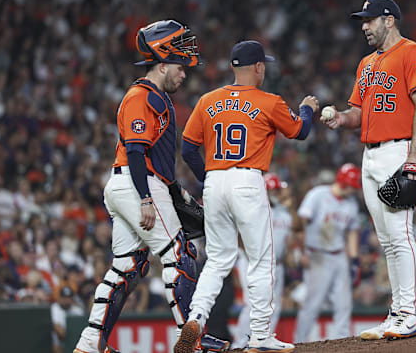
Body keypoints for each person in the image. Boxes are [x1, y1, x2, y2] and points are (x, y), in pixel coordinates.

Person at [74, 20, 228, 353]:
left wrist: (175, 193)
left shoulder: (153, 96)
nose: (184, 73)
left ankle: (89, 344)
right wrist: (146, 197)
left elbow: (155, 160)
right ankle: (193, 341)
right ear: (161, 64)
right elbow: (134, 150)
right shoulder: (140, 95)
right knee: (181, 255)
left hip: (132, 183)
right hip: (135, 182)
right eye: (179, 66)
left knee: (128, 266)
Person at [174, 40, 319, 353]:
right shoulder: (269, 101)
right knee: (261, 261)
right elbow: (301, 132)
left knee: (217, 260)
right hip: (247, 180)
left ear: (232, 67)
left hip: (214, 182)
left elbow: (187, 149)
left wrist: (210, 178)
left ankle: (196, 318)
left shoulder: (207, 100)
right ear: (259, 67)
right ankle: (260, 335)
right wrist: (307, 108)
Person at [321, 0, 416, 340]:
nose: (365, 27)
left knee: (400, 234)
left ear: (389, 20)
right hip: (370, 153)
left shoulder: (413, 53)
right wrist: (342, 117)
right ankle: (398, 311)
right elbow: (358, 112)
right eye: (362, 21)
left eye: (370, 20)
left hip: (399, 150)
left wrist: (414, 156)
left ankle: (411, 313)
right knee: (387, 240)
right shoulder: (366, 63)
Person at [293, 163, 361, 342]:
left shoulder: (351, 203)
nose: (354, 191)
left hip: (338, 255)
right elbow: (301, 225)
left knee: (344, 304)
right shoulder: (318, 195)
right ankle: (299, 341)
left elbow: (352, 232)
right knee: (312, 304)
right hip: (317, 255)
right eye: (352, 186)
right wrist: (304, 252)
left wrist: (354, 260)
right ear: (344, 183)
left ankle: (343, 342)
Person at [231, 172, 294, 348]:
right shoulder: (252, 208)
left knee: (274, 305)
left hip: (277, 264)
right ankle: (240, 343)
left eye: (276, 191)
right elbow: (239, 236)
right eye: (273, 190)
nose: (275, 194)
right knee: (252, 303)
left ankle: (263, 343)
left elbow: (294, 229)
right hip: (253, 261)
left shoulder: (282, 211)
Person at [51, 286, 84, 353]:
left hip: (75, 342)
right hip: (59, 343)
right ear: (59, 298)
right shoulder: (54, 308)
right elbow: (60, 332)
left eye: (69, 297)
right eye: (64, 297)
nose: (67, 300)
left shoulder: (77, 311)